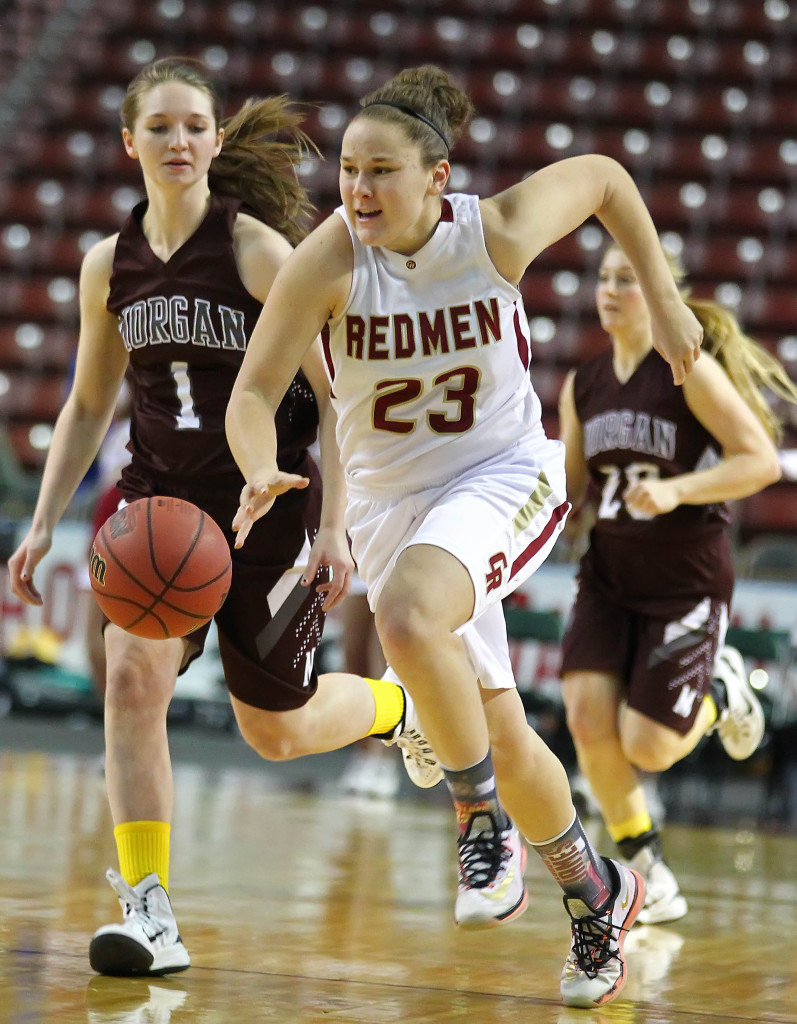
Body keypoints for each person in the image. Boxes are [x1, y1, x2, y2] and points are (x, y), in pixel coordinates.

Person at [225, 64, 704, 1008]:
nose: (358, 191)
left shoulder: (494, 230)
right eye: (349, 172)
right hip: (391, 506)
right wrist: (254, 465)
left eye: (381, 172)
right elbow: (251, 390)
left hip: (504, 476)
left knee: (406, 616)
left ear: (436, 176)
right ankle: (598, 893)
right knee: (495, 726)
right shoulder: (325, 259)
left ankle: (476, 819)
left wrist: (666, 293)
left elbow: (606, 174)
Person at [6, 57, 443, 981]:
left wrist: (335, 530)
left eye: (194, 126)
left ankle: (400, 706)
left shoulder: (255, 250)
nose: (178, 141)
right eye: (158, 127)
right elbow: (88, 407)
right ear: (130, 142)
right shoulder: (106, 267)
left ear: (214, 139)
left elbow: (332, 402)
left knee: (274, 731)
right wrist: (43, 523)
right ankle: (150, 910)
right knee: (130, 685)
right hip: (159, 508)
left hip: (270, 509)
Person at [558, 240, 797, 926]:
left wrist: (678, 490)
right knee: (583, 719)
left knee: (649, 746)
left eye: (625, 279)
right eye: (602, 278)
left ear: (658, 291)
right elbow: (573, 488)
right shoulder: (583, 383)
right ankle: (647, 866)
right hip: (606, 574)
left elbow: (757, 461)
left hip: (681, 581)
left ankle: (721, 692)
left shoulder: (686, 368)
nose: (608, 291)